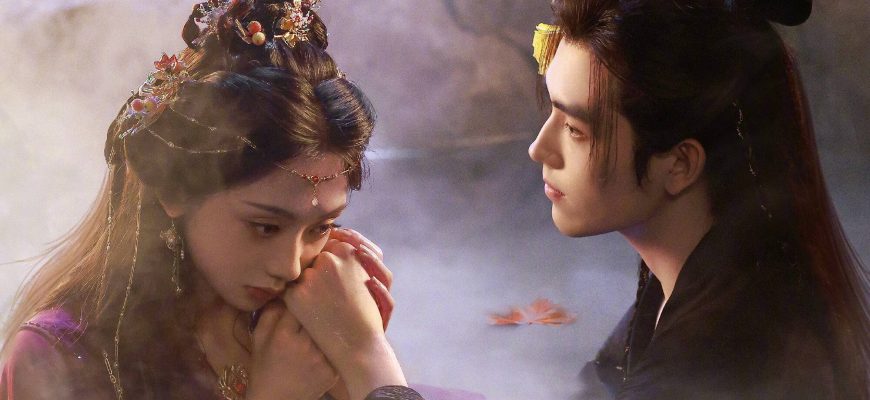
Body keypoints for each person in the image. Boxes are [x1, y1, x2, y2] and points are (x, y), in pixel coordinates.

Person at [0, 1, 425, 399]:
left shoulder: (312, 321)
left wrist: (364, 355)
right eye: (265, 227)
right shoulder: (58, 357)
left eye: (322, 227)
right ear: (175, 189)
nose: (291, 266)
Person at [528, 0, 869, 398]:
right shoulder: (706, 280)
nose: (538, 149)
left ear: (679, 164)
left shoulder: (717, 357)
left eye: (575, 129)